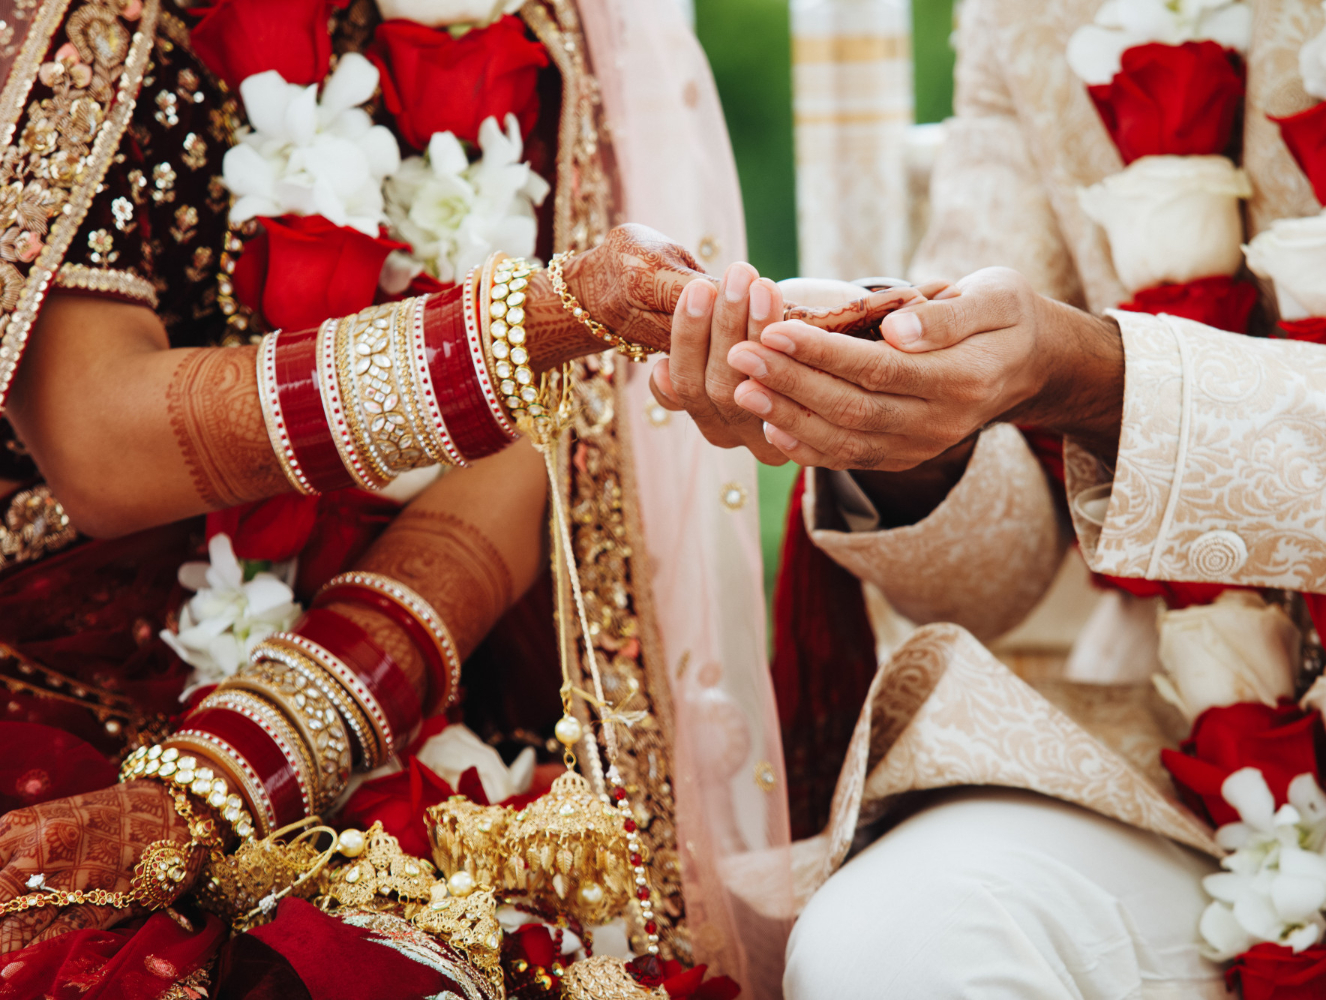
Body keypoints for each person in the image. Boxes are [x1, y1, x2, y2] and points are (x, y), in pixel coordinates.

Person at [660, 0, 1326, 996]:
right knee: (898, 943)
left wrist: (1107, 384)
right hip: (1203, 759)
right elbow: (992, 574)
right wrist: (890, 428)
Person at [0, 1, 826, 997]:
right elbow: (98, 442)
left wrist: (234, 771)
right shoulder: (79, 22)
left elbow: (527, 466)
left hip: (389, 708)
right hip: (56, 696)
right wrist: (541, 322)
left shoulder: (533, 32)